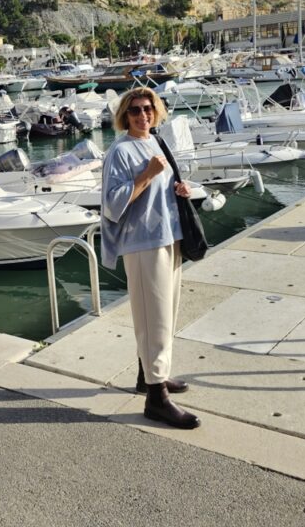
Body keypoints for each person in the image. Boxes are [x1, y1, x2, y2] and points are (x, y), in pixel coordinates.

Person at [100, 87, 200, 430]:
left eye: (148, 108)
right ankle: (156, 399)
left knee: (166, 313)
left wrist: (179, 189)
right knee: (153, 317)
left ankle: (151, 375)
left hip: (169, 235)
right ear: (124, 116)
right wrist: (146, 175)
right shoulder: (120, 151)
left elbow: (160, 188)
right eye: (135, 110)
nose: (143, 115)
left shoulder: (156, 141)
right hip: (142, 243)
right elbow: (112, 204)